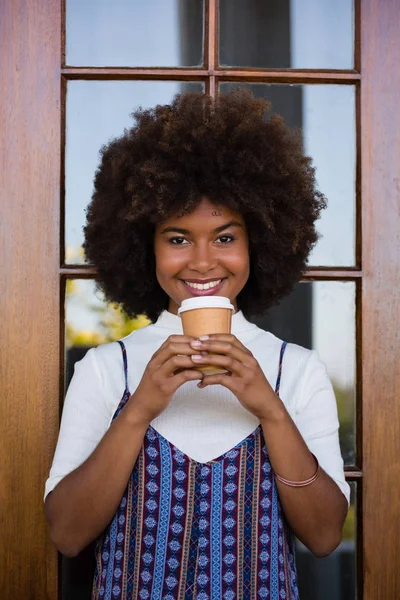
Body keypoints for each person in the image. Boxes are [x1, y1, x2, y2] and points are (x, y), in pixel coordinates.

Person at [45, 89, 349, 599]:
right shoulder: (107, 367)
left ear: (260, 243)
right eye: (178, 238)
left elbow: (323, 537)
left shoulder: (295, 369)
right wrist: (140, 408)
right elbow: (67, 534)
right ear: (147, 246)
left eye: (226, 238)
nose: (203, 261)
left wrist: (269, 409)